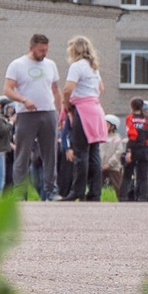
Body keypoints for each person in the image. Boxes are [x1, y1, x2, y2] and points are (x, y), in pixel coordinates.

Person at [4, 33, 60, 199]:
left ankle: (51, 190)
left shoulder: (50, 65)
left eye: (46, 50)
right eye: (41, 50)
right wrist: (23, 99)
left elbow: (55, 90)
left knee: (50, 154)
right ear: (31, 48)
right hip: (26, 114)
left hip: (48, 112)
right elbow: (7, 89)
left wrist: (60, 112)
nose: (44, 54)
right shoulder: (17, 64)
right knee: (22, 153)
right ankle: (20, 192)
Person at [59, 37, 105, 201]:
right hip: (96, 109)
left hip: (83, 111)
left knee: (81, 153)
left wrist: (67, 105)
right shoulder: (93, 67)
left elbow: (67, 89)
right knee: (94, 153)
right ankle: (95, 192)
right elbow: (101, 88)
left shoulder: (76, 66)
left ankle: (77, 191)